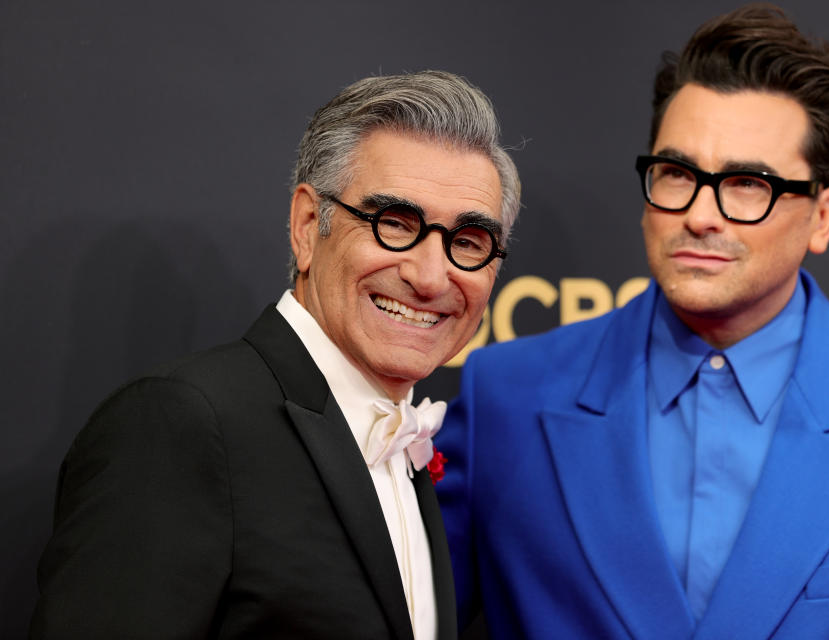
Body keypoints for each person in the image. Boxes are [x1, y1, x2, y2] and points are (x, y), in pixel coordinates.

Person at [436, 5, 829, 639]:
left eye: (746, 183)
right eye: (678, 174)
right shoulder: (507, 397)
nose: (701, 215)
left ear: (823, 216)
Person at [30, 70, 520, 640]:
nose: (432, 276)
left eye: (467, 242)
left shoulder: (403, 446)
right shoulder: (182, 426)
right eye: (394, 225)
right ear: (309, 227)